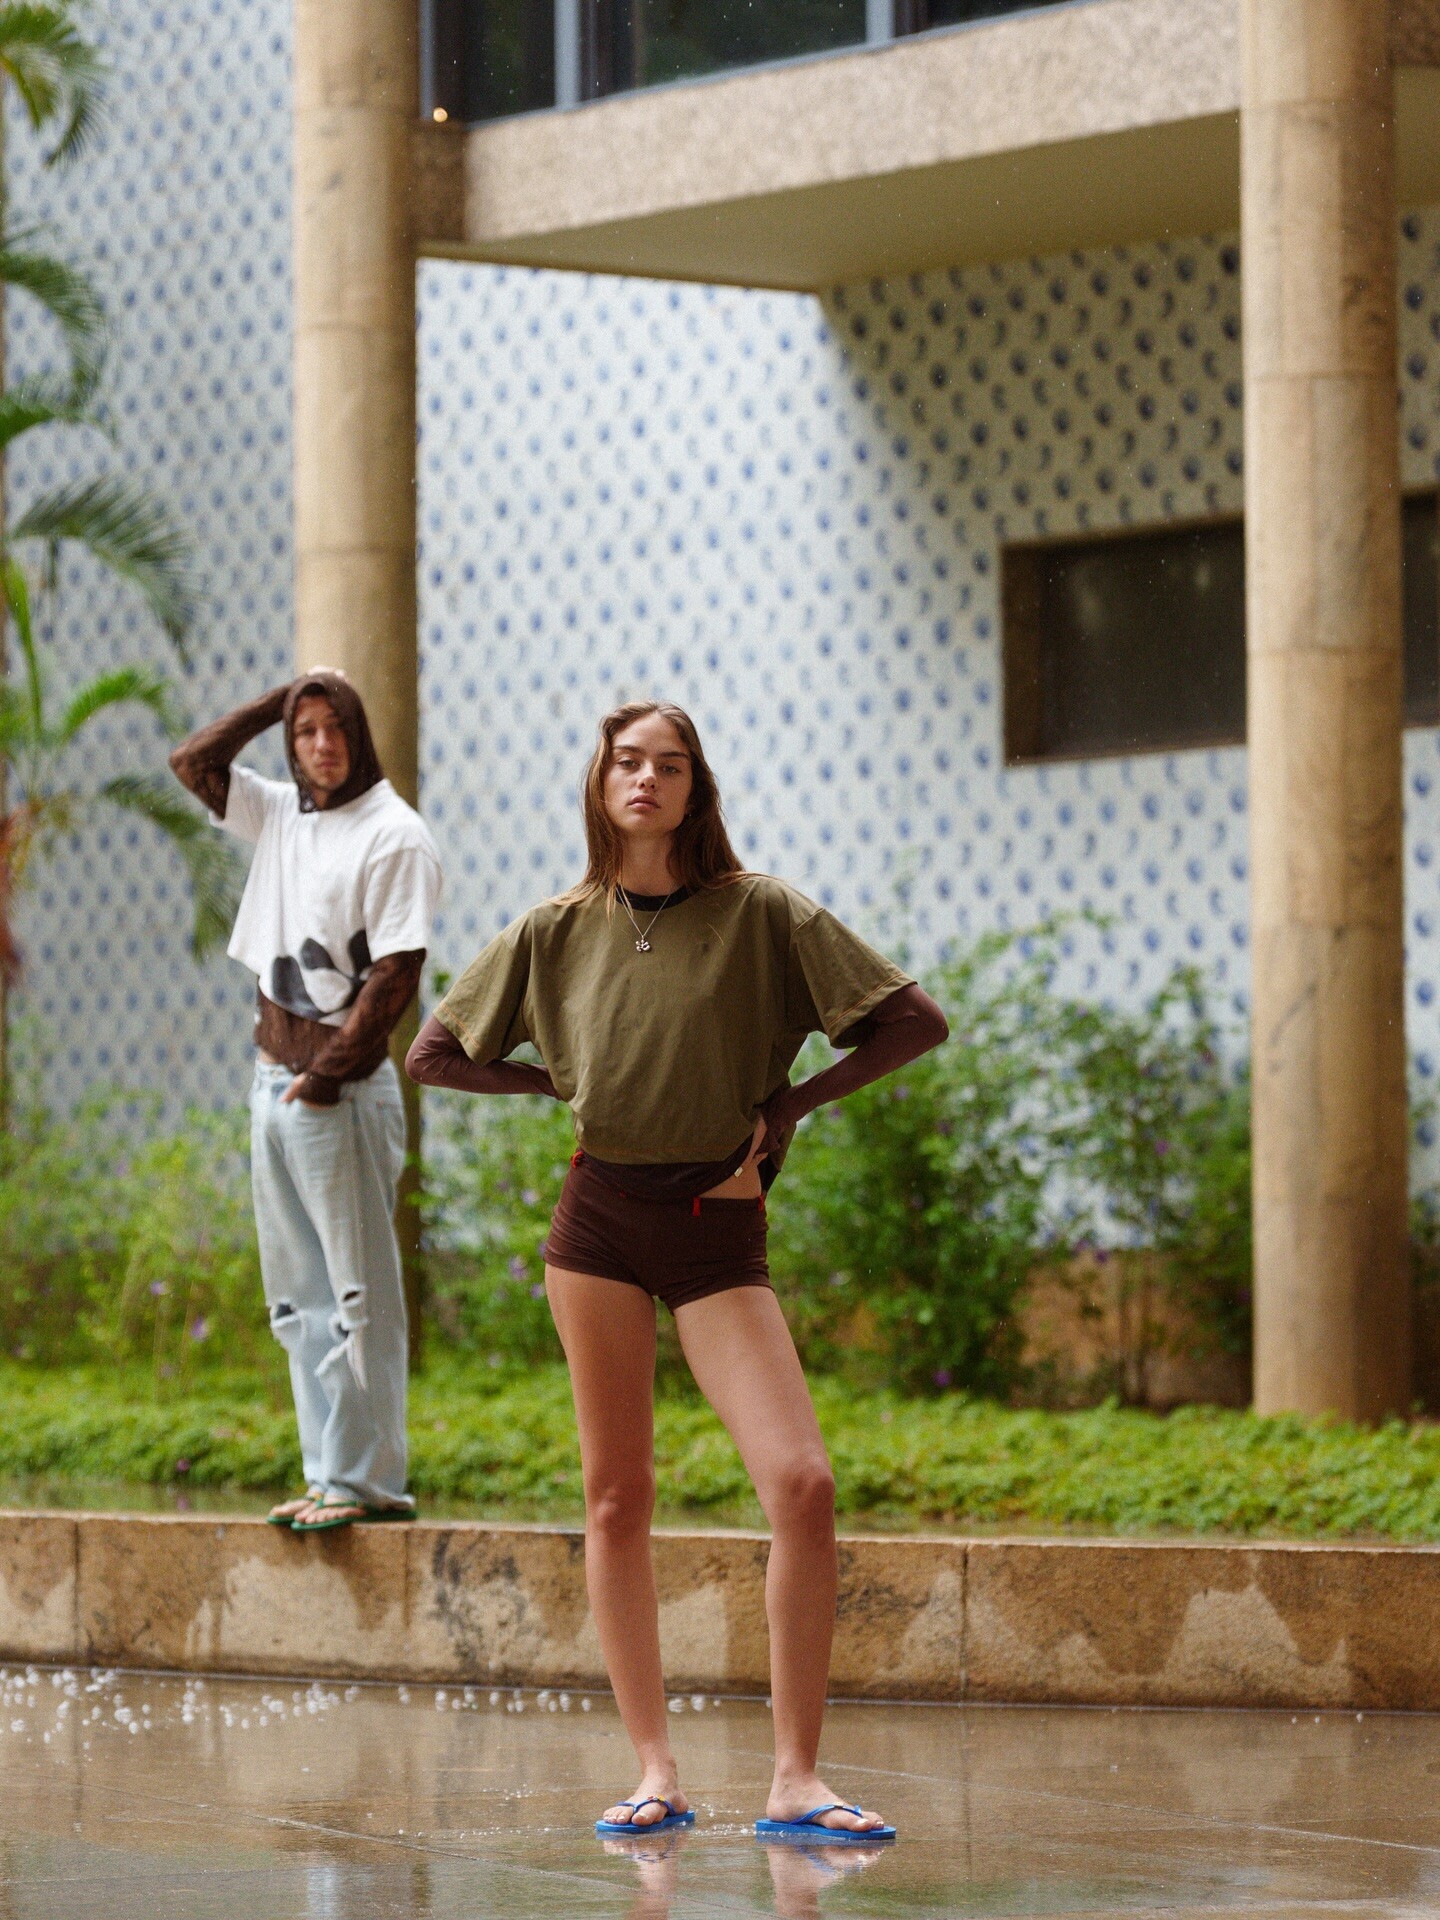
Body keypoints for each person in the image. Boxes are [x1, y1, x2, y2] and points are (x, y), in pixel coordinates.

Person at [406, 701, 947, 1838]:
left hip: (716, 1228)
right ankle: (655, 1771)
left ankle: (797, 1778)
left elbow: (913, 1022)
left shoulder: (763, 913)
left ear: (697, 788)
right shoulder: (554, 929)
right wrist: (553, 1083)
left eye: (669, 764)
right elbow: (434, 1054)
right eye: (626, 762)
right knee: (617, 1497)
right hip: (598, 1227)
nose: (645, 778)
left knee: (802, 1484)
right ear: (600, 784)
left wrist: (789, 1107)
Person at [170, 670, 442, 1533]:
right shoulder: (282, 812)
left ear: (360, 734)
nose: (322, 745)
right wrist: (281, 697)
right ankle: (328, 1475)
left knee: (360, 1295)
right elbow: (193, 762)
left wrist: (326, 1078)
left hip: (340, 1094)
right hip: (271, 1084)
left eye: (335, 727)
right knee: (298, 1300)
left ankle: (369, 1481)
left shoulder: (394, 834)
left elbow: (396, 974)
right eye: (306, 731)